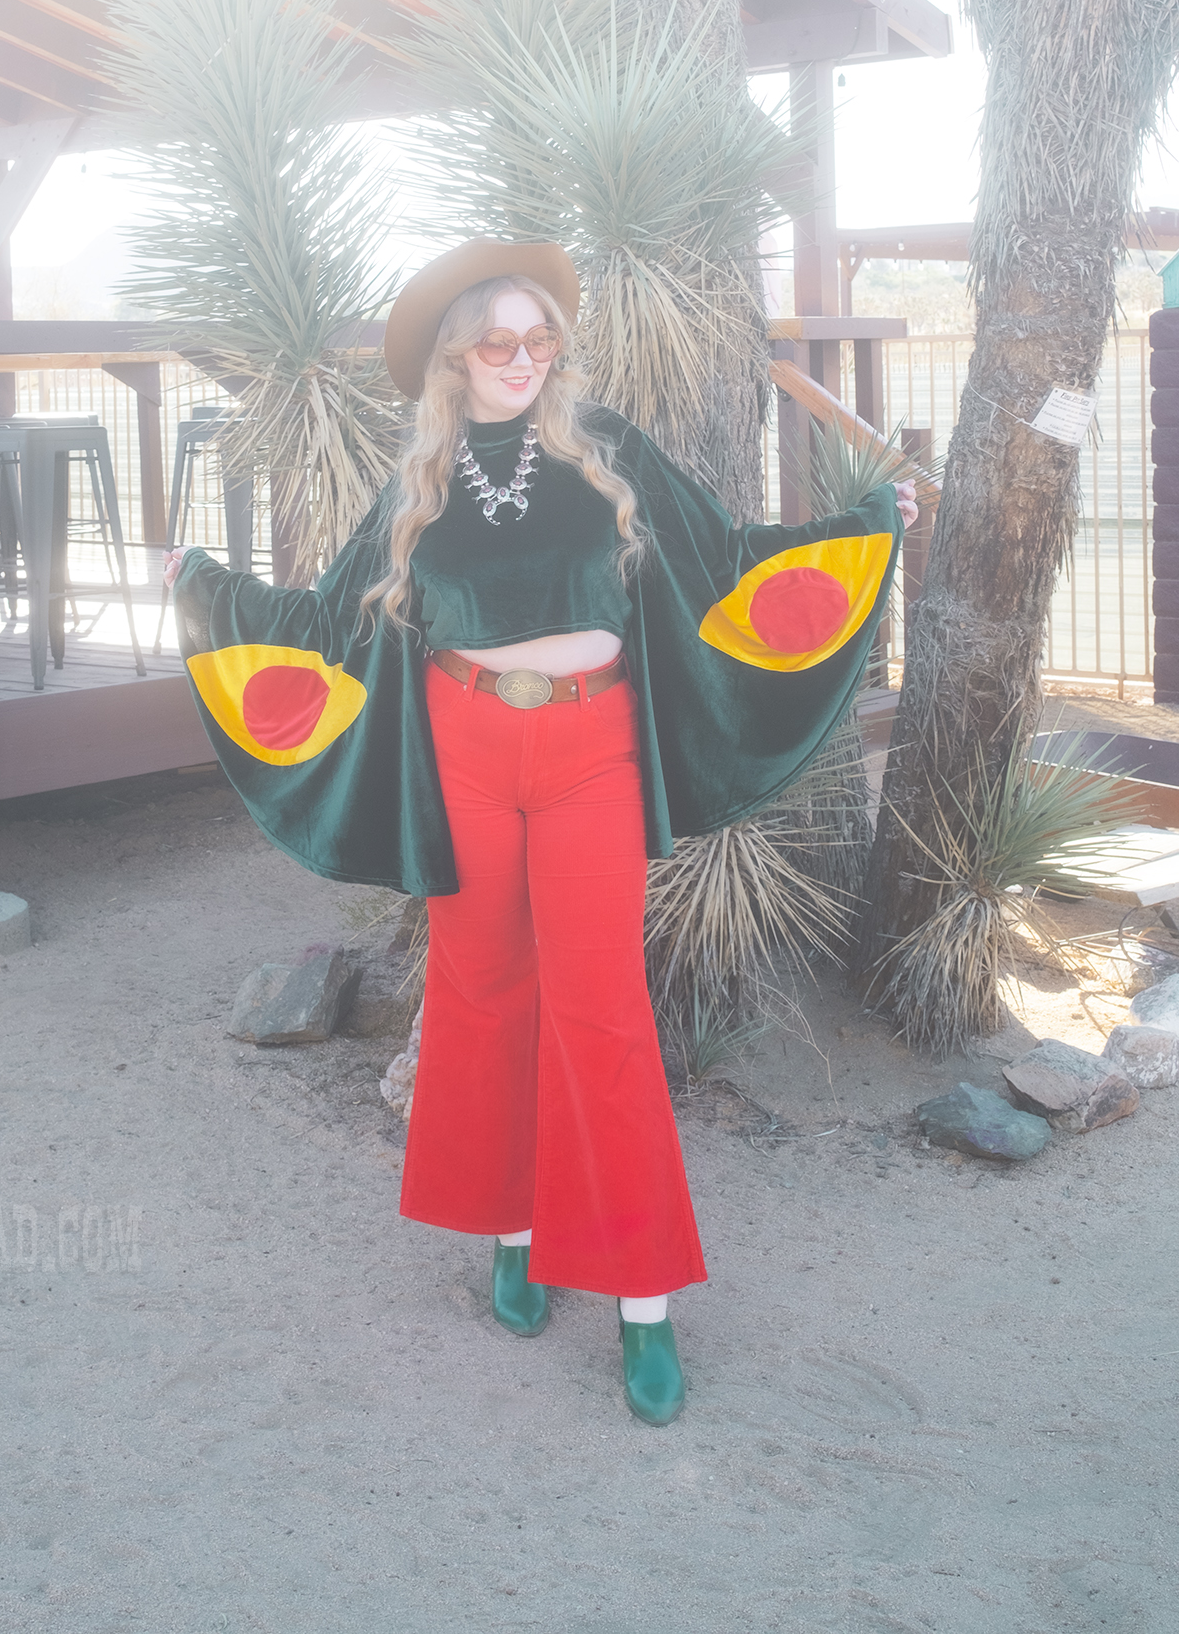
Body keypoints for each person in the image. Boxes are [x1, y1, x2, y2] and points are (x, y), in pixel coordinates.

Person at [165, 238, 913, 1426]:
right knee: (483, 993)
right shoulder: (418, 484)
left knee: (602, 1010)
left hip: (587, 757)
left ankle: (644, 1300)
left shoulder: (607, 450)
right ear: (455, 360)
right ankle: (513, 1234)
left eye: (540, 339)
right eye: (498, 342)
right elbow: (326, 625)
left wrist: (867, 524)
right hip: (466, 753)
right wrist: (209, 588)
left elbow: (727, 568)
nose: (524, 360)